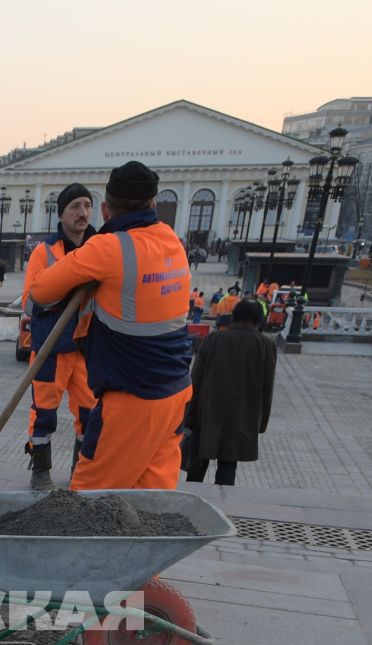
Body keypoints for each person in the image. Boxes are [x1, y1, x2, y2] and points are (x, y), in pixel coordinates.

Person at [27, 160, 194, 491]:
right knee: (152, 501)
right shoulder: (172, 240)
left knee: (90, 501)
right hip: (176, 394)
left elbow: (41, 290)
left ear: (104, 208)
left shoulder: (107, 247)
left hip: (132, 399)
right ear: (154, 205)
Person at [19, 183, 98, 490]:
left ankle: (82, 472)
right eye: (75, 206)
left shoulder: (100, 247)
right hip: (50, 346)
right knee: (43, 413)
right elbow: (30, 301)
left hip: (85, 347)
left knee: (89, 413)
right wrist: (70, 278)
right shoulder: (45, 252)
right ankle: (40, 471)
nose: (83, 213)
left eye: (87, 205)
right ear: (62, 214)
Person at [181, 298, 274, 489]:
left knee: (197, 465)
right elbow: (267, 387)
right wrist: (260, 423)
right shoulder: (265, 345)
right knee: (228, 467)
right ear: (258, 319)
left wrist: (188, 414)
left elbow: (195, 379)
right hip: (242, 415)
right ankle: (224, 505)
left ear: (235, 315)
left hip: (208, 411)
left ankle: (191, 505)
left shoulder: (214, 339)